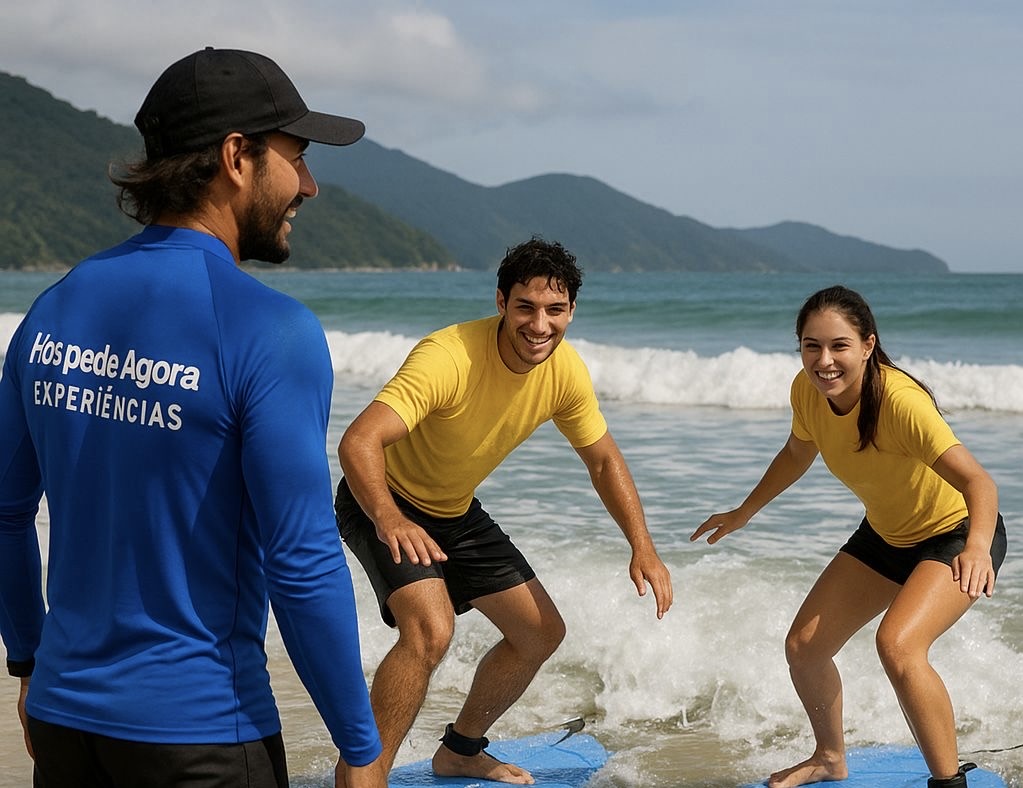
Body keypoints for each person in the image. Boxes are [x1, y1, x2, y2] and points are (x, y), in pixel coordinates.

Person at [0, 48, 385, 788]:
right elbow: (301, 562)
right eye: (296, 157)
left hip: (64, 727)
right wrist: (360, 748)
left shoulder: (54, 307)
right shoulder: (269, 331)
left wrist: (27, 660)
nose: (308, 184)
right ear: (237, 156)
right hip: (202, 735)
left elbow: (6, 511)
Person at [335, 237, 673, 784]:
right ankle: (365, 774)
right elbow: (358, 443)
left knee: (539, 633)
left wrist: (643, 545)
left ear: (571, 312)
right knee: (430, 631)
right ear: (500, 302)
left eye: (554, 310)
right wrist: (390, 519)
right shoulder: (447, 358)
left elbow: (604, 460)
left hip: (454, 510)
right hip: (382, 497)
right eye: (526, 307)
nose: (539, 325)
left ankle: (462, 750)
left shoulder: (564, 372)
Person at [691, 285, 1006, 788]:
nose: (824, 360)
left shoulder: (901, 404)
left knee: (898, 646)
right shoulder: (807, 391)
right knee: (804, 647)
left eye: (839, 345)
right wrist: (744, 511)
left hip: (956, 533)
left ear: (867, 344)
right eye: (811, 345)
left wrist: (976, 548)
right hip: (886, 536)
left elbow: (979, 482)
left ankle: (950, 783)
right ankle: (830, 758)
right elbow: (797, 453)